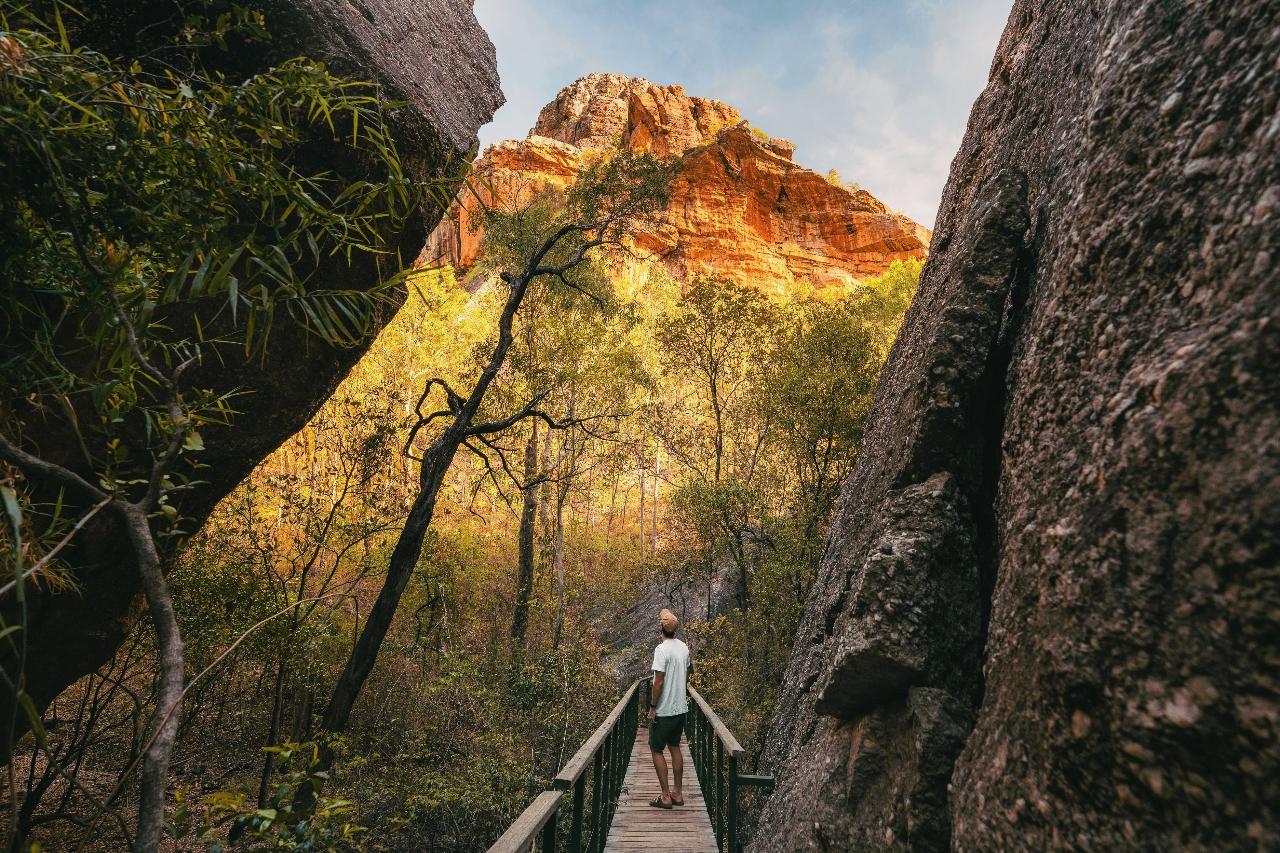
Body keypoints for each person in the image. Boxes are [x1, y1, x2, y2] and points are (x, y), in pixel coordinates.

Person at [647, 607, 691, 809]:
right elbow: (687, 673)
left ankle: (665, 796)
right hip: (680, 709)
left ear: (661, 628)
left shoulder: (661, 650)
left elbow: (659, 681)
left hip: (664, 711)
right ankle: (678, 794)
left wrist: (653, 706)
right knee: (675, 747)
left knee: (656, 749)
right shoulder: (684, 648)